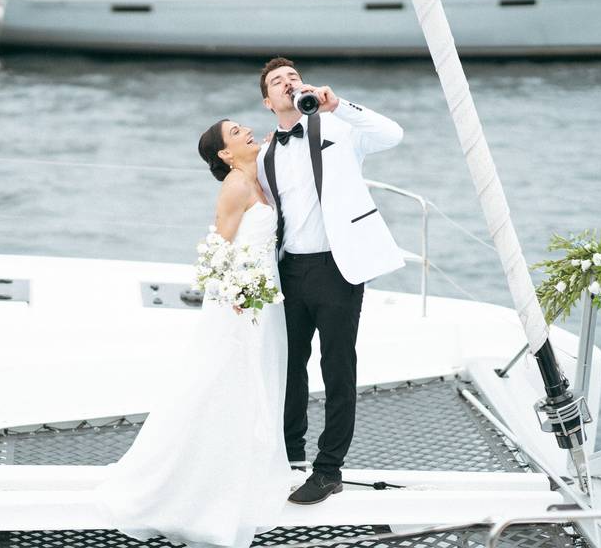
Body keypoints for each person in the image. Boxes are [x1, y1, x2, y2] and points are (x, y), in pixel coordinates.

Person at [95, 120, 290, 548]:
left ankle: (244, 475)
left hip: (263, 299)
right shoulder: (236, 187)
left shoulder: (256, 176)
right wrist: (235, 292)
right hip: (241, 305)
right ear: (224, 152)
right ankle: (198, 488)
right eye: (238, 132)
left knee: (255, 384)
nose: (248, 132)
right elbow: (218, 246)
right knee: (224, 386)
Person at [256, 57, 406, 505]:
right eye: (277, 82)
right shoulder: (265, 153)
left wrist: (339, 105)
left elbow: (392, 135)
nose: (288, 84)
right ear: (268, 101)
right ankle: (289, 456)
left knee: (337, 367)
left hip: (338, 268)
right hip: (290, 271)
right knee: (290, 367)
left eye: (293, 78)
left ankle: (329, 469)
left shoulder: (338, 128)